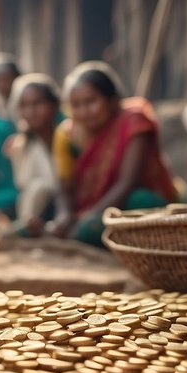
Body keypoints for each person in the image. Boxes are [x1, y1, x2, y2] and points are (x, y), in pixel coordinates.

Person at [49, 62, 177, 245]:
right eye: (76, 105)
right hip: (84, 208)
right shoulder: (68, 134)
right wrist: (64, 215)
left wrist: (92, 215)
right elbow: (64, 187)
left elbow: (127, 181)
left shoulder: (133, 122)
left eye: (91, 102)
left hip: (125, 203)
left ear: (112, 100)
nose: (84, 112)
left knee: (139, 202)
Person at [6, 73, 66, 235]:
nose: (31, 112)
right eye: (24, 105)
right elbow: (22, 186)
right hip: (39, 211)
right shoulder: (21, 145)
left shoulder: (68, 136)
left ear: (54, 105)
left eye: (38, 103)